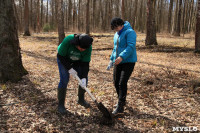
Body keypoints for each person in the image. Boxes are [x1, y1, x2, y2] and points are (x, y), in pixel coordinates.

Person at [107, 17, 137, 115]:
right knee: (116, 82)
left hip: (128, 61)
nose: (115, 30)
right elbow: (115, 48)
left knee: (122, 83)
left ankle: (120, 107)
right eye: (114, 28)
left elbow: (131, 46)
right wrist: (111, 60)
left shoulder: (130, 32)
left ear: (121, 25)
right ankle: (121, 100)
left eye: (116, 27)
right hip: (118, 61)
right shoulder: (116, 34)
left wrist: (121, 57)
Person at [57, 33, 93, 114]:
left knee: (85, 79)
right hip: (64, 59)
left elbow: (85, 64)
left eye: (84, 49)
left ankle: (81, 100)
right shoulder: (68, 40)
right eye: (81, 48)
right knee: (64, 80)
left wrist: (83, 77)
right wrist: (69, 69)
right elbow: (60, 56)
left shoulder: (88, 47)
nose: (82, 50)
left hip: (78, 61)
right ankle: (61, 105)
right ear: (77, 44)